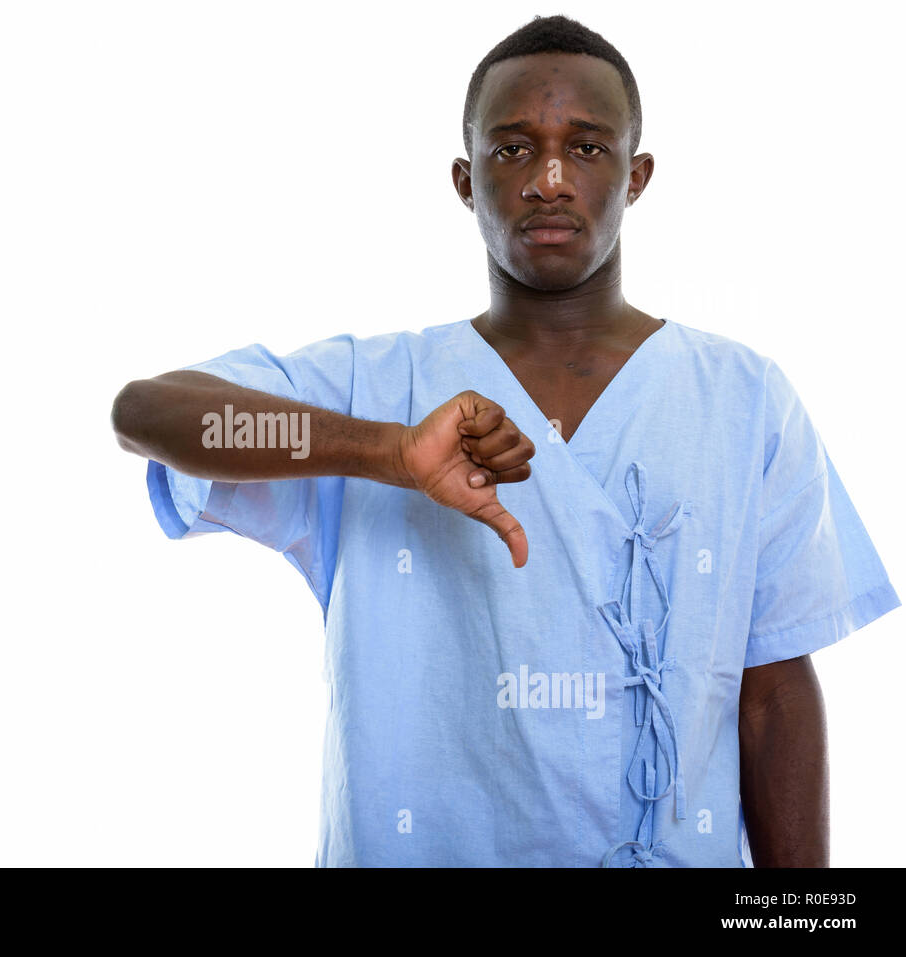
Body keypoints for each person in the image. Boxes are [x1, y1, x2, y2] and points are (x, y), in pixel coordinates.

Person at [109, 14, 899, 867]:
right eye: (513, 149)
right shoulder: (378, 387)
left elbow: (772, 694)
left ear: (636, 176)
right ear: (466, 179)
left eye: (586, 149)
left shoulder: (745, 400)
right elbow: (149, 411)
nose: (549, 181)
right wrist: (384, 451)